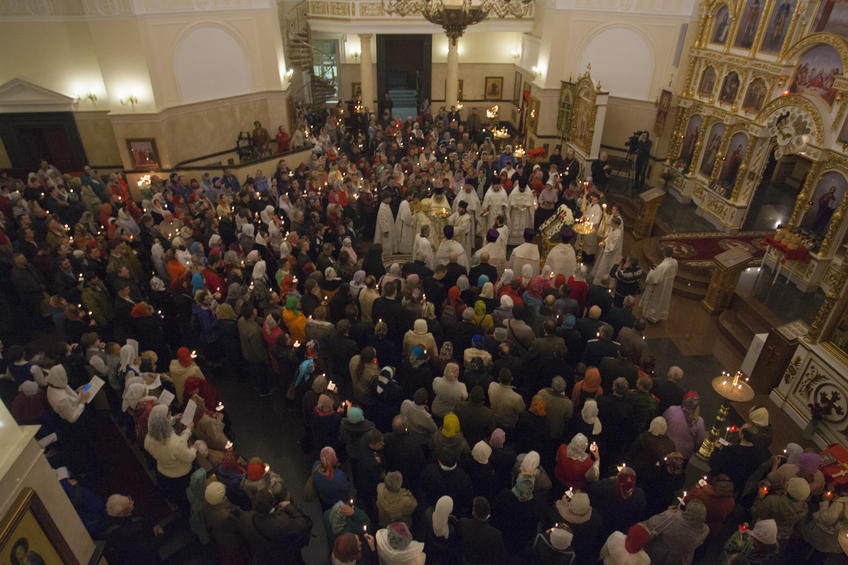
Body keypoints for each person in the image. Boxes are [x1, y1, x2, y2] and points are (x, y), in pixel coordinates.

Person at [640, 246, 678, 323]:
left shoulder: (663, 266)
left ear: (664, 253)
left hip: (658, 288)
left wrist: (652, 269)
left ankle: (650, 316)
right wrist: (658, 268)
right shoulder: (674, 262)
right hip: (667, 286)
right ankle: (658, 315)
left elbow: (653, 278)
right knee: (662, 301)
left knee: (655, 302)